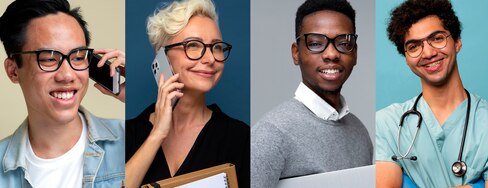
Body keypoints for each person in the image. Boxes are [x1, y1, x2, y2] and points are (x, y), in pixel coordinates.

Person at [0, 0, 126, 187]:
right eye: (49, 59)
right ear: (13, 70)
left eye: (77, 57)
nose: (67, 75)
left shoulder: (130, 139)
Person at [124, 0, 249, 187]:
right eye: (193, 45)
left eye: (216, 47)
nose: (209, 59)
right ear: (162, 57)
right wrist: (157, 134)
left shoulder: (241, 138)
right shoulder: (127, 135)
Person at [376, 0, 488, 187]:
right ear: (406, 59)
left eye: (437, 38)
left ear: (457, 41)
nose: (428, 53)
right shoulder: (387, 124)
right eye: (414, 46)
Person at [250, 0, 373, 187]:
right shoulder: (270, 134)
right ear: (296, 53)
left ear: (354, 53)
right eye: (316, 43)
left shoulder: (359, 131)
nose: (331, 54)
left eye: (343, 43)